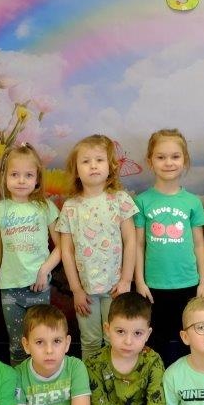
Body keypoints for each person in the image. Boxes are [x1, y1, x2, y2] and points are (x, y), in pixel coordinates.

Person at [56, 134, 138, 363]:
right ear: (76, 170)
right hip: (86, 291)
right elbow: (66, 251)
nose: (93, 166)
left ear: (110, 167)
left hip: (116, 287)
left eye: (99, 160)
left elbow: (131, 241)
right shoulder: (70, 207)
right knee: (90, 341)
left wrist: (126, 281)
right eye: (86, 161)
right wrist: (76, 290)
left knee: (116, 340)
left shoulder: (120, 199)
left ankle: (116, 379)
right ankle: (91, 383)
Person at [0, 144, 61, 365]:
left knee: (40, 343)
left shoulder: (45, 207)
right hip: (10, 289)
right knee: (17, 346)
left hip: (38, 287)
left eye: (28, 175)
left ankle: (39, 380)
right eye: (14, 174)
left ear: (37, 179)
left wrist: (44, 270)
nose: (21, 180)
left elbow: (62, 247)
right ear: (5, 177)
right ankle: (18, 385)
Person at [135, 129, 204, 365]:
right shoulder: (142, 201)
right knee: (157, 341)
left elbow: (199, 244)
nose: (168, 162)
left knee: (188, 339)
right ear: (150, 161)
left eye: (175, 156)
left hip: (188, 283)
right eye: (161, 157)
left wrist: (203, 282)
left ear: (185, 160)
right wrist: (140, 281)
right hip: (154, 286)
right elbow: (138, 244)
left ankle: (186, 381)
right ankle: (159, 381)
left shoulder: (192, 202)